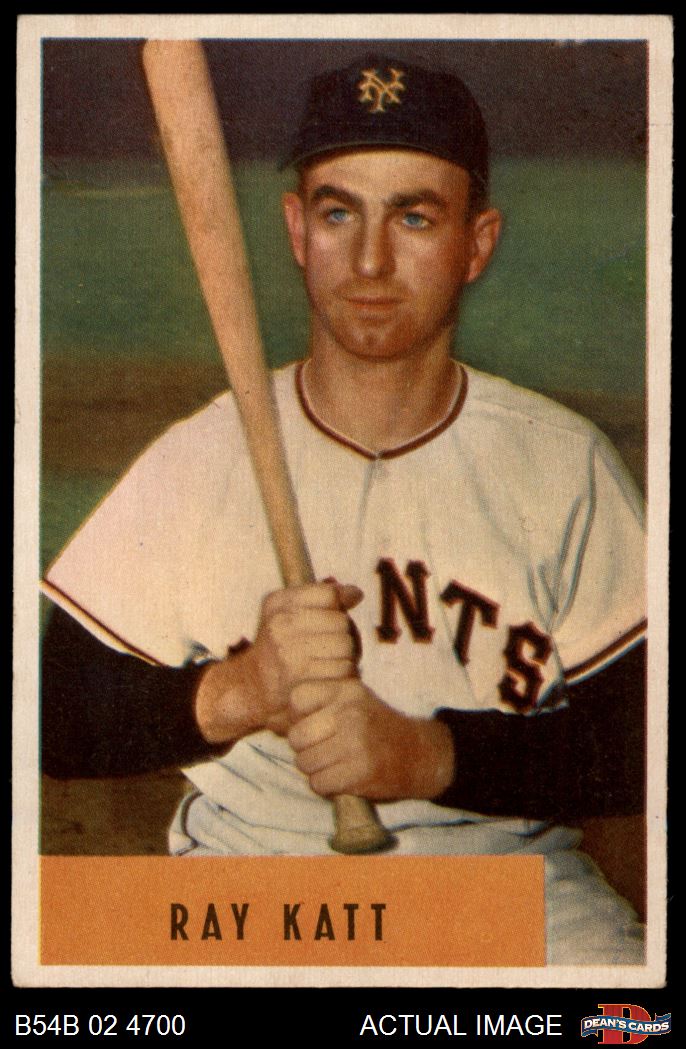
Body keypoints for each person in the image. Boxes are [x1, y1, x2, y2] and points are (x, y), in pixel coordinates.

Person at [41, 56, 646, 964]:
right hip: (251, 893)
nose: (370, 261)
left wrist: (428, 756)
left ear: (477, 243)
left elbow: (642, 737)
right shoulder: (203, 454)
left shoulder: (561, 461)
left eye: (414, 217)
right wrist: (238, 690)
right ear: (296, 230)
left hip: (504, 896)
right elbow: (52, 709)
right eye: (338, 213)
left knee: (628, 1017)